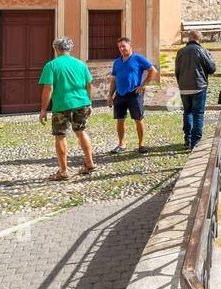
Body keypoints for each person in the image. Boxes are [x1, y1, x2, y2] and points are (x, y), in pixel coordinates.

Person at [38, 36, 95, 181]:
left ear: (55, 49)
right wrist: (89, 103)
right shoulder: (81, 64)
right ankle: (90, 163)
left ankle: (63, 171)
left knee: (60, 136)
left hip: (62, 105)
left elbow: (48, 88)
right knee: (81, 132)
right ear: (70, 48)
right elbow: (89, 85)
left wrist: (43, 109)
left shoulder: (51, 65)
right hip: (81, 102)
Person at [108, 36, 158, 153]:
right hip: (120, 94)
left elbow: (153, 70)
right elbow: (113, 79)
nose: (121, 49)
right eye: (119, 47)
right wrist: (110, 95)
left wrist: (143, 85)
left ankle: (141, 144)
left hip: (134, 94)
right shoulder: (117, 62)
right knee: (120, 120)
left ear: (130, 46)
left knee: (138, 119)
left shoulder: (138, 58)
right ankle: (121, 144)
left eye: (123, 46)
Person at [175, 30, 217, 149]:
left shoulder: (180, 52)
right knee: (198, 114)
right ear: (196, 38)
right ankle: (196, 142)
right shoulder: (202, 51)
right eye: (200, 38)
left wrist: (181, 84)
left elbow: (177, 71)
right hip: (199, 87)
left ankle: (187, 140)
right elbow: (212, 68)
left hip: (184, 87)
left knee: (187, 112)